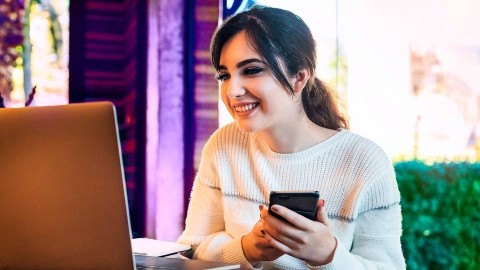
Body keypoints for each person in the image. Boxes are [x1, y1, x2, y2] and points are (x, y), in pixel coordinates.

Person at [177, 5, 406, 269]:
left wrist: (329, 255)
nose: (232, 91)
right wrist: (247, 248)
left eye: (251, 70)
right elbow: (192, 249)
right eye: (225, 75)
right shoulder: (224, 145)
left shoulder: (366, 162)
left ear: (299, 78)